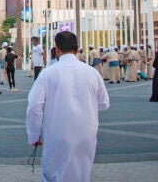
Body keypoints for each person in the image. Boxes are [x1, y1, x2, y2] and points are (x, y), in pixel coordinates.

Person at [26, 31, 110, 182]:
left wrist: (34, 133)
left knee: (54, 174)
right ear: (77, 48)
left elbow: (34, 106)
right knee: (82, 174)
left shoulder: (48, 73)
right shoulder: (92, 73)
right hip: (87, 133)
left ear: (57, 49)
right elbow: (104, 103)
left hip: (58, 133)